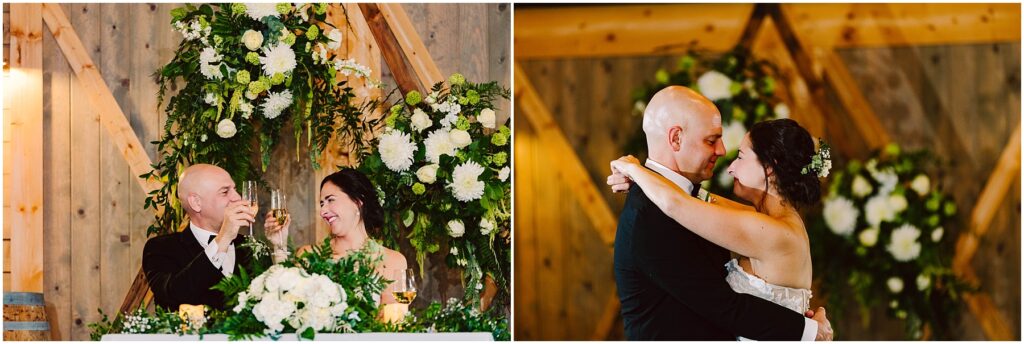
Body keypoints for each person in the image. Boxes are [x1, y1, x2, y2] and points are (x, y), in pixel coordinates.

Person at [607, 86, 832, 340]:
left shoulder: (762, 225)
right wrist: (639, 178)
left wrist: (636, 171)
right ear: (676, 139)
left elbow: (679, 204)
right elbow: (721, 305)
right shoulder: (649, 213)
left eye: (740, 156)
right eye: (711, 140)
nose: (725, 154)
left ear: (770, 168)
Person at [142, 164, 284, 310]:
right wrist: (223, 239)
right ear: (196, 203)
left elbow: (278, 304)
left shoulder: (253, 248)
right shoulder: (161, 248)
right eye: (225, 192)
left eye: (234, 189)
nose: (238, 197)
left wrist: (279, 244)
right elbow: (175, 295)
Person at [265, 168, 408, 306]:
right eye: (321, 203)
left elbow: (393, 323)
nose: (323, 211)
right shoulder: (308, 255)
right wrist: (279, 244)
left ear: (357, 202)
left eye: (330, 200)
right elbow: (286, 302)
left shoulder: (393, 261)